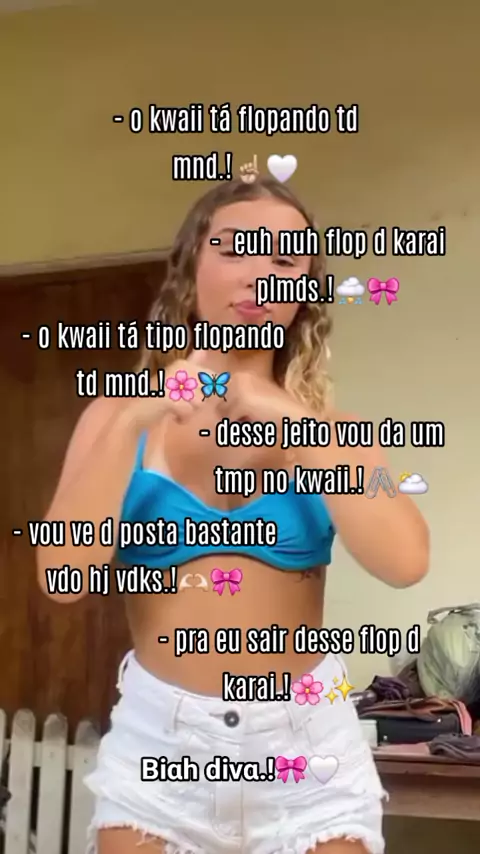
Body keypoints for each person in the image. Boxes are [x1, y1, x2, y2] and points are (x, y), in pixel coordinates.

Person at [36, 175, 430, 854]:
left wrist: (295, 424)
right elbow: (62, 577)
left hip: (308, 752)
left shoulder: (332, 429)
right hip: (161, 750)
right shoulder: (116, 416)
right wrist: (133, 418)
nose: (260, 274)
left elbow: (406, 562)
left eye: (285, 260)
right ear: (191, 270)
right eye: (236, 249)